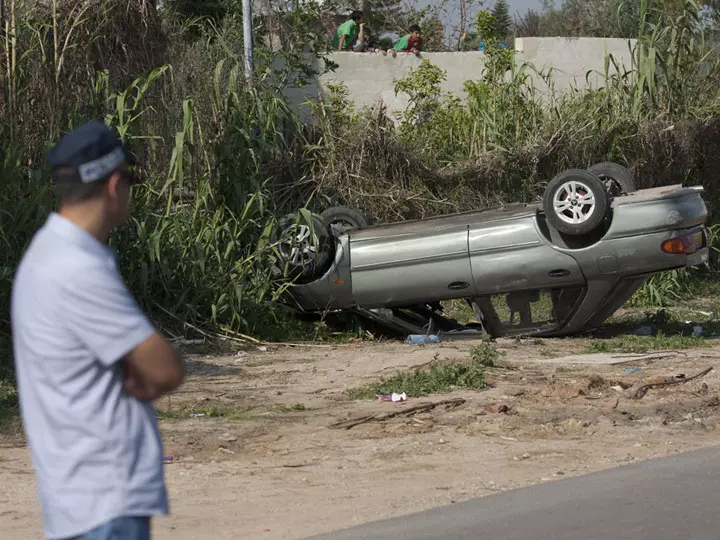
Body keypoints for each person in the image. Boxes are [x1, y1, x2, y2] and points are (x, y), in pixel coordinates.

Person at [11, 119, 184, 540]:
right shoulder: (76, 267)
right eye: (130, 181)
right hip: (103, 500)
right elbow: (164, 369)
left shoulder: (50, 254)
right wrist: (149, 367)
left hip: (80, 495)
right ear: (113, 184)